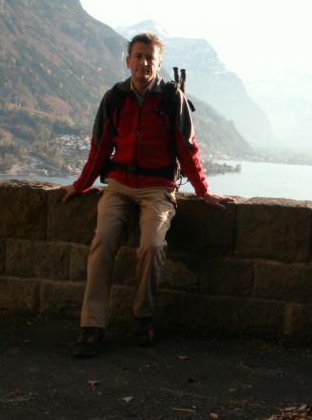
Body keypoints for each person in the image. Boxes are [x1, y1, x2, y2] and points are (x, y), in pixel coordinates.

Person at [61, 33, 234, 357]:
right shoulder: (115, 98)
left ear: (158, 63)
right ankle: (92, 326)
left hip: (158, 188)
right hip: (119, 186)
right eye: (138, 56)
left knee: (153, 246)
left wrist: (203, 191)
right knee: (102, 242)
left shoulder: (171, 99)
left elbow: (187, 149)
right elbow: (100, 148)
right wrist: (81, 185)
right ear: (128, 61)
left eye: (150, 58)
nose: (144, 63)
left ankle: (142, 317)